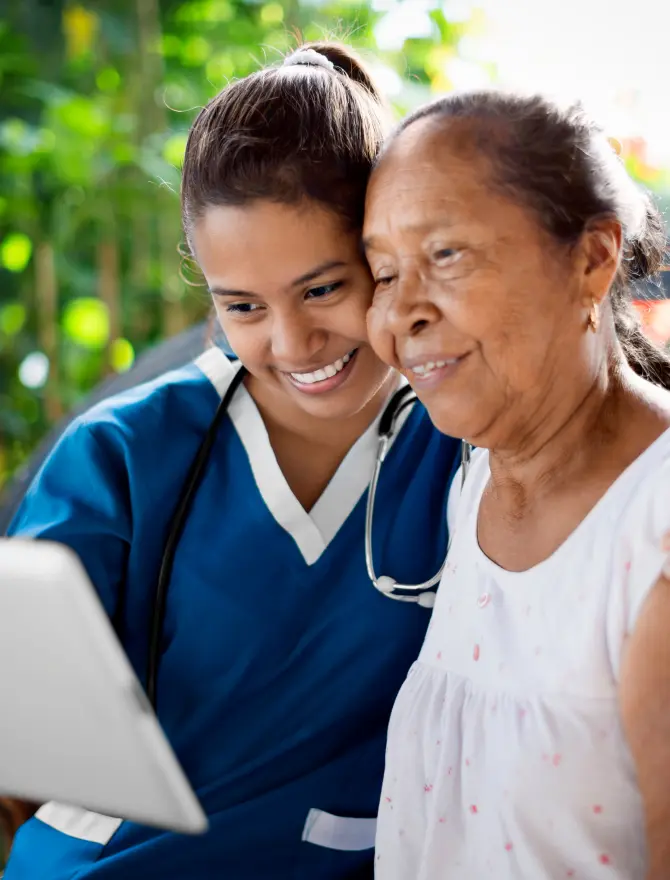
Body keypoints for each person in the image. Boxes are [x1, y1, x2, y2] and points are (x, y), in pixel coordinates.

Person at [2, 44, 461, 879]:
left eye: (323, 288)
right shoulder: (127, 457)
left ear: (388, 250)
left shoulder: (469, 435)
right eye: (242, 306)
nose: (291, 343)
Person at [363, 91, 670, 879]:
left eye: (447, 256)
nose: (401, 313)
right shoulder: (472, 481)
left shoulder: (653, 527)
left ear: (594, 260)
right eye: (383, 271)